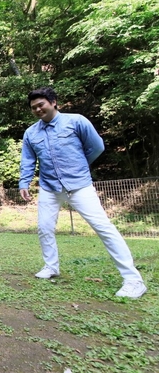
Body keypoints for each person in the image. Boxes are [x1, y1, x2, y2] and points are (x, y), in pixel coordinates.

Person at [19, 87, 146, 299]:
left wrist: (80, 166)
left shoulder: (76, 121)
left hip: (79, 185)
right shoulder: (31, 133)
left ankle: (133, 280)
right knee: (44, 228)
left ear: (53, 102)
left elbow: (97, 147)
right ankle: (51, 267)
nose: (37, 109)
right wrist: (24, 182)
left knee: (103, 227)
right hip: (50, 188)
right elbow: (28, 160)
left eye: (41, 104)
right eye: (33, 108)